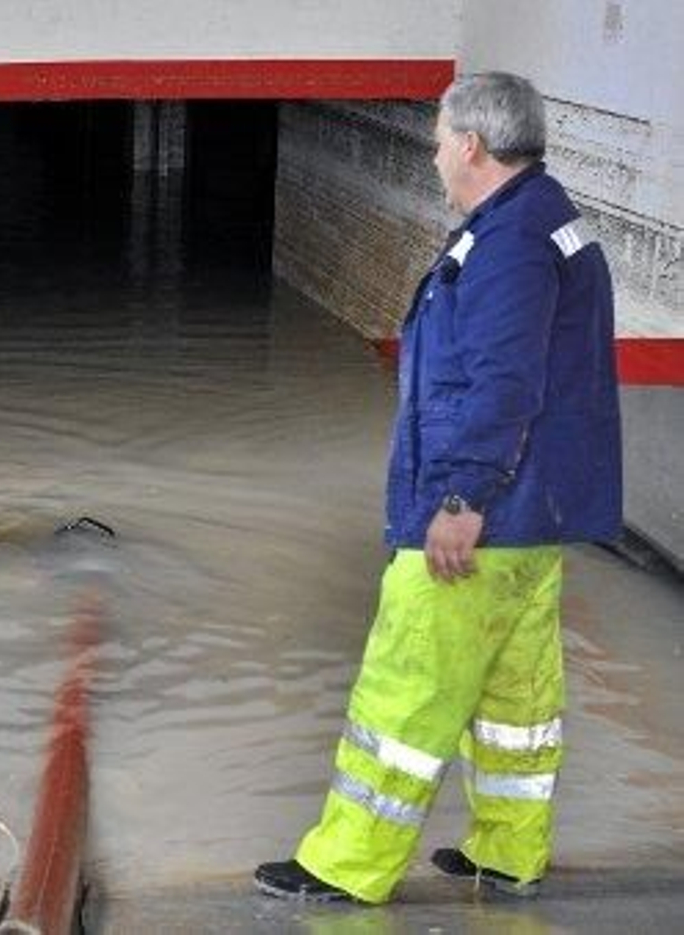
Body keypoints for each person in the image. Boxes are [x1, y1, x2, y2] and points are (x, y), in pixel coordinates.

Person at [255, 72, 622, 904]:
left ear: (470, 144)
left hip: (484, 517)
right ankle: (509, 851)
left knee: (406, 684)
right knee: (516, 696)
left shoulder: (511, 246)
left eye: (436, 141)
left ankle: (347, 864)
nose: (433, 157)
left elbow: (502, 385)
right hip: (538, 518)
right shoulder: (550, 219)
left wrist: (461, 500)